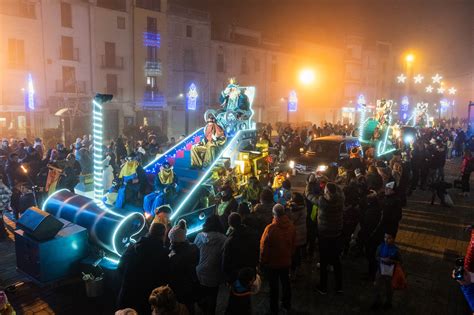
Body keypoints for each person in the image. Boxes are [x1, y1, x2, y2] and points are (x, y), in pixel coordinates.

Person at [117, 223, 170, 314]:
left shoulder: (133, 247)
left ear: (149, 231)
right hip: (146, 298)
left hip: (128, 294)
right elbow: (164, 278)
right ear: (163, 235)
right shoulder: (163, 254)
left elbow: (120, 267)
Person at [260, 204, 296, 314]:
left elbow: (263, 247)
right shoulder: (291, 226)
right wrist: (290, 255)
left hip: (273, 263)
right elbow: (294, 244)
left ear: (274, 214)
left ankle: (273, 308)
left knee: (273, 287)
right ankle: (286, 304)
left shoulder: (270, 229)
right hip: (286, 261)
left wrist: (262, 261)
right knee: (286, 283)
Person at [315, 182, 344, 295]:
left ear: (326, 192)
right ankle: (339, 286)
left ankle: (323, 287)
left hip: (324, 235)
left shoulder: (322, 202)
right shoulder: (340, 200)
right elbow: (340, 192)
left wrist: (309, 186)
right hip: (336, 234)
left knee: (323, 261)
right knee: (336, 261)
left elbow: (310, 196)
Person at [193, 215, 226, 315]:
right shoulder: (223, 239)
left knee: (201, 294)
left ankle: (203, 308)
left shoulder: (199, 236)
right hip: (214, 272)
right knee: (213, 296)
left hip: (199, 271)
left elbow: (194, 252)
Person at [168, 220, 200, 314]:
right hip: (191, 283)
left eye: (171, 240)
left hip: (178, 288)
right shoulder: (193, 247)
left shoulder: (173, 256)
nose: (170, 242)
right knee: (190, 306)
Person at [222, 213, 260, 284]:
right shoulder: (252, 234)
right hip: (250, 269)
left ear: (230, 224)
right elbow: (257, 250)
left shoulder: (230, 240)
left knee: (237, 292)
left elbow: (226, 259)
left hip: (236, 273)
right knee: (247, 290)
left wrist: (226, 276)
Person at [371, 233, 402, 310]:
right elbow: (376, 256)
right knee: (377, 286)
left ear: (393, 239)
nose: (386, 239)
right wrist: (382, 259)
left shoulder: (396, 250)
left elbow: (400, 262)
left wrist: (391, 261)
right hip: (380, 270)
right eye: (385, 237)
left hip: (390, 273)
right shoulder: (381, 246)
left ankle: (388, 303)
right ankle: (377, 302)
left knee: (389, 288)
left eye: (389, 238)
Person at [287, 192, 307, 278]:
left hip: (296, 235)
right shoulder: (303, 207)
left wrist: (288, 209)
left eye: (292, 198)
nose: (290, 200)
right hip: (302, 234)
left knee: (293, 255)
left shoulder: (295, 210)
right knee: (297, 253)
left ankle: (293, 273)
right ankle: (298, 270)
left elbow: (291, 220)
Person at [0, 175, 12, 240]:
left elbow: (9, 193)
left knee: (0, 221)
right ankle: (4, 234)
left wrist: (2, 202)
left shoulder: (1, 184)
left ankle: (3, 236)